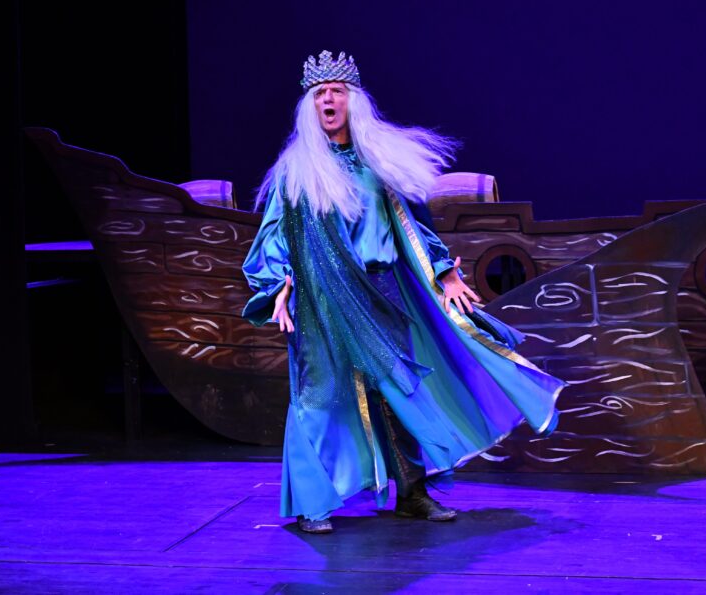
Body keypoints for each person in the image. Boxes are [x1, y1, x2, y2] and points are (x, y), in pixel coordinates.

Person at [242, 50, 567, 534]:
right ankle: (313, 502)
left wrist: (445, 272)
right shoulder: (297, 171)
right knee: (321, 394)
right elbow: (273, 236)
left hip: (383, 287)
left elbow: (414, 225)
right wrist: (276, 284)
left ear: (353, 100)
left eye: (337, 91)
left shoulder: (379, 161)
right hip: (323, 296)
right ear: (309, 106)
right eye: (320, 93)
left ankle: (413, 493)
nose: (328, 100)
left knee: (398, 390)